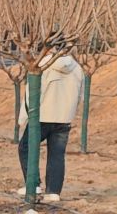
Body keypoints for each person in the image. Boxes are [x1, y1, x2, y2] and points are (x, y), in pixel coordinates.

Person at [16, 50, 86, 205]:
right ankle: (53, 192)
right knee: (57, 154)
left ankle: (33, 184)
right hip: (64, 118)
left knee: (25, 148)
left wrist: (23, 117)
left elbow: (31, 94)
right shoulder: (76, 67)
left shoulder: (41, 64)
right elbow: (81, 95)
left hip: (42, 116)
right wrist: (71, 112)